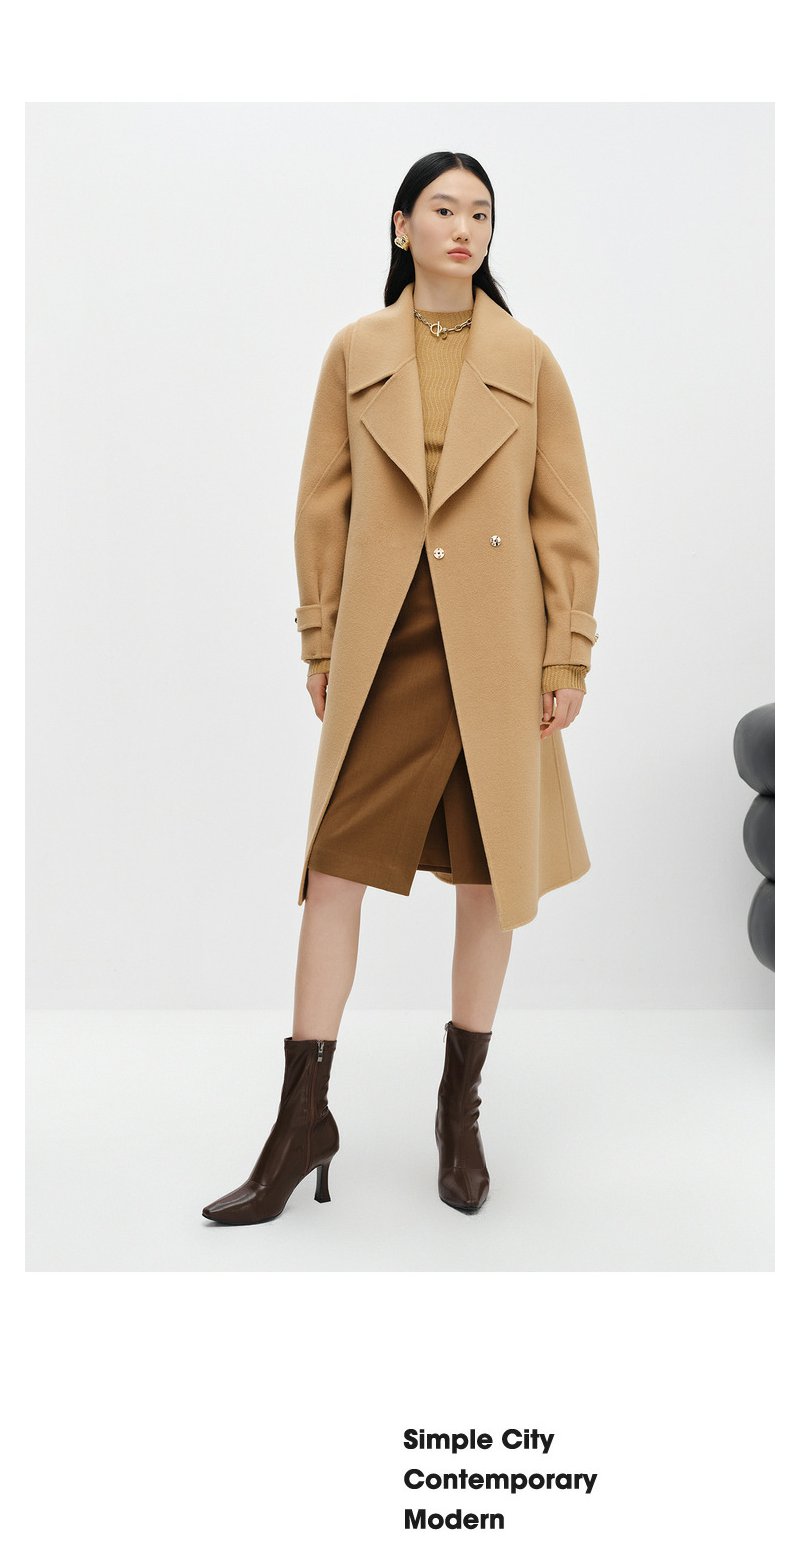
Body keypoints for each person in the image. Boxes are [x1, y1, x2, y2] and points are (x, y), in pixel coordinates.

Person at [202, 150, 600, 1227]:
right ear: (400, 226)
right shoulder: (356, 350)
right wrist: (319, 635)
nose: (464, 228)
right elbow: (320, 501)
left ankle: (458, 1114)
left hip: (495, 651)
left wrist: (565, 651)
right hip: (385, 647)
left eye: (481, 213)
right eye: (443, 209)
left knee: (487, 878)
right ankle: (300, 1123)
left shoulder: (526, 358)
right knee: (333, 869)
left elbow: (564, 513)